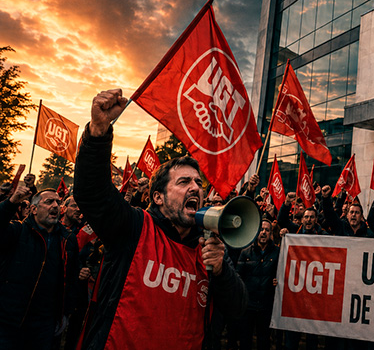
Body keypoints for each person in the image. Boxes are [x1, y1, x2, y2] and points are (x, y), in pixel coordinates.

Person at [73, 88, 247, 349]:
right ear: (157, 198)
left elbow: (237, 308)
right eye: (184, 181)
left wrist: (222, 272)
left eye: (199, 183)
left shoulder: (208, 249)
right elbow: (92, 193)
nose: (196, 188)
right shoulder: (133, 227)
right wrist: (98, 132)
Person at [0, 186, 79, 349]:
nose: (56, 206)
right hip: (8, 320)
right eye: (49, 202)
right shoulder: (18, 231)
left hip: (44, 325)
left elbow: (71, 278)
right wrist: (11, 202)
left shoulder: (67, 240)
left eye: (58, 202)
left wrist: (65, 313)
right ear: (33, 210)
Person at [236, 220, 279, 350]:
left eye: (267, 230)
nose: (263, 233)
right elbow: (238, 276)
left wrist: (278, 280)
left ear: (271, 233)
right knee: (245, 339)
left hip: (266, 306)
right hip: (248, 305)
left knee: (263, 340)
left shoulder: (277, 252)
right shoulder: (245, 252)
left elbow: (281, 273)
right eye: (261, 229)